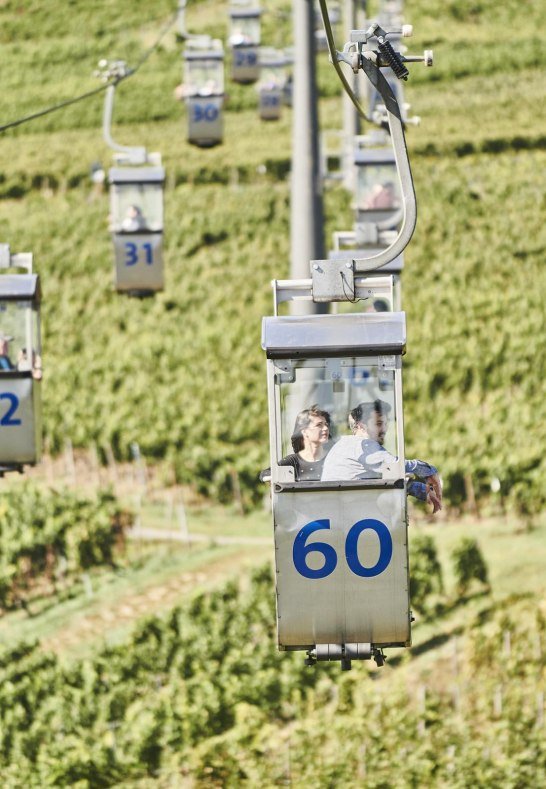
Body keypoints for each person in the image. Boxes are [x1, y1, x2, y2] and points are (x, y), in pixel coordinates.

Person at [321, 399, 442, 513]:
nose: (384, 429)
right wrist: (429, 471)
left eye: (386, 423)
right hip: (348, 514)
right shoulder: (362, 444)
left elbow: (380, 478)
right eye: (378, 423)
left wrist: (421, 489)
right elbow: (395, 466)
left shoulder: (346, 445)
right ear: (361, 426)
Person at [260, 405, 331, 482]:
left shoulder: (332, 458)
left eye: (326, 424)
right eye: (319, 425)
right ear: (304, 431)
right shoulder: (293, 461)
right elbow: (265, 474)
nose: (326, 428)